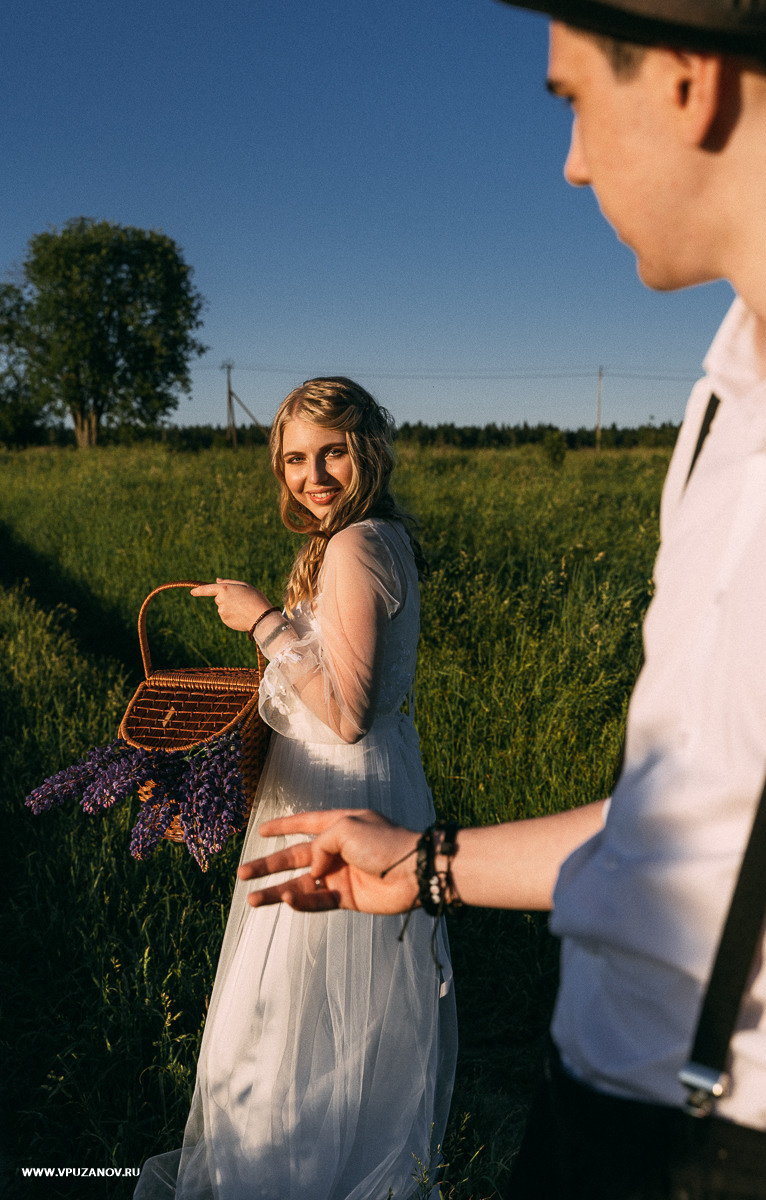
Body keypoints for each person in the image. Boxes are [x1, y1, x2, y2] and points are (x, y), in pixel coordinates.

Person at [235, 4, 766, 1197]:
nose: (573, 158)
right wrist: (423, 865)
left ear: (690, 80)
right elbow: (693, 821)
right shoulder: (720, 409)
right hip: (596, 1113)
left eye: (570, 100)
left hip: (750, 1145)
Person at [134, 377, 457, 1200]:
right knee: (321, 999)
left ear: (368, 449)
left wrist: (261, 622)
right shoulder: (363, 536)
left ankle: (292, 1170)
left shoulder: (353, 546)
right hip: (346, 777)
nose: (311, 476)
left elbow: (345, 715)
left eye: (332, 452)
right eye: (293, 460)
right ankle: (312, 1152)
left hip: (341, 787)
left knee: (302, 998)